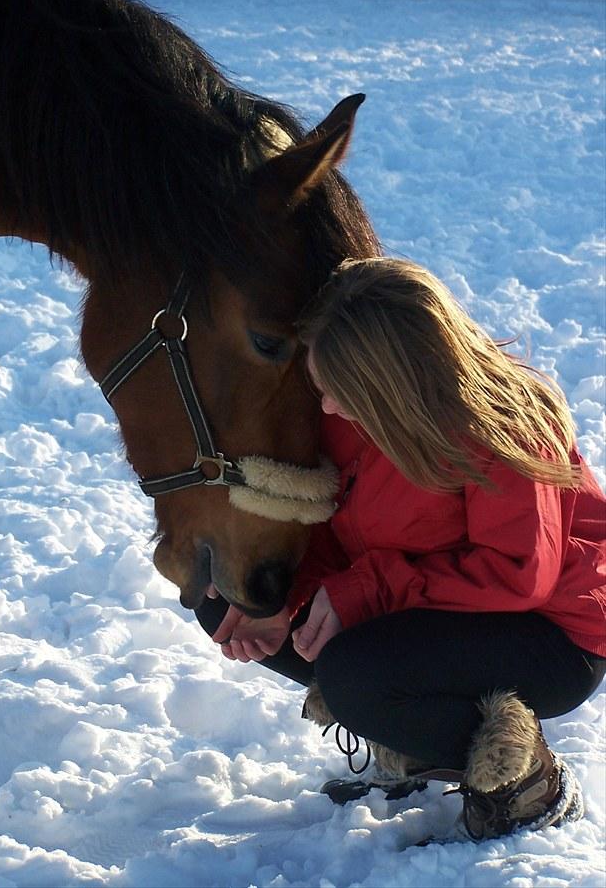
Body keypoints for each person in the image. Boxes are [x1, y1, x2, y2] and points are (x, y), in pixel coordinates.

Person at [196, 257, 606, 842]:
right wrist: (291, 595)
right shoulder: (354, 418)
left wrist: (362, 592)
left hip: (548, 631)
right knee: (240, 599)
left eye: (340, 392)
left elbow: (519, 575)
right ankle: (413, 748)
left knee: (354, 676)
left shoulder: (499, 422)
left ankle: (527, 781)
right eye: (322, 389)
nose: (329, 408)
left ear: (392, 381)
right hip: (435, 606)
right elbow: (342, 532)